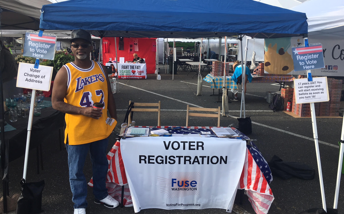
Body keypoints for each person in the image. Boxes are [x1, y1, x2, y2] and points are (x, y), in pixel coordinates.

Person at [52, 29, 119, 214]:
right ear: (71, 48)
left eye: (83, 44)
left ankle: (100, 194)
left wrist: (113, 119)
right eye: (75, 45)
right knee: (76, 171)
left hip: (99, 129)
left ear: (91, 46)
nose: (80, 48)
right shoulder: (65, 72)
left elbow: (109, 95)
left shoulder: (100, 68)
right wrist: (83, 110)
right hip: (77, 131)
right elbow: (56, 103)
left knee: (101, 164)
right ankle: (79, 204)